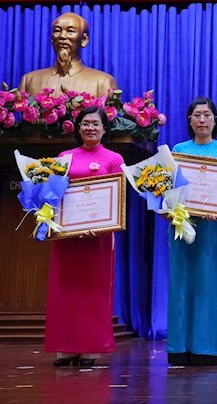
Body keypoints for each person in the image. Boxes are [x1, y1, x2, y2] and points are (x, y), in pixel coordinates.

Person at [46, 106, 124, 367]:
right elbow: (53, 193)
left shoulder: (113, 159)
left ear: (104, 129)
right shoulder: (64, 157)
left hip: (97, 237)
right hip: (67, 236)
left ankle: (91, 347)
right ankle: (66, 347)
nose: (90, 128)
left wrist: (100, 225)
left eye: (95, 123)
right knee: (65, 289)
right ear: (78, 128)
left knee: (94, 291)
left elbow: (118, 198)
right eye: (85, 123)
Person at [167, 97, 217, 366]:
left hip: (212, 226)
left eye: (207, 115)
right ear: (189, 120)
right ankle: (178, 347)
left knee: (209, 283)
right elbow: (169, 188)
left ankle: (207, 348)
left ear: (215, 120)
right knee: (181, 284)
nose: (202, 120)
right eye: (197, 115)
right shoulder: (178, 150)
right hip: (182, 224)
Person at [19, 12, 118, 97]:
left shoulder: (103, 82)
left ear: (84, 40)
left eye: (70, 31)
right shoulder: (29, 80)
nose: (62, 36)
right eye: (57, 31)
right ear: (52, 39)